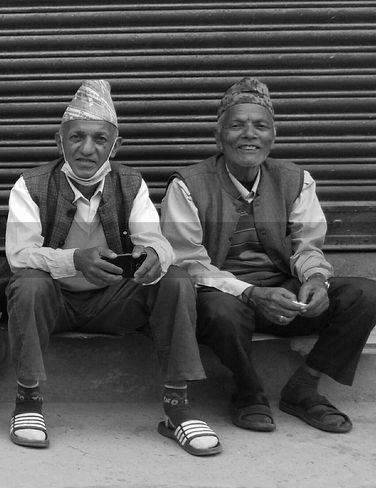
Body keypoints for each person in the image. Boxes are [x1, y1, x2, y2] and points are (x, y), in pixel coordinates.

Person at [4, 80, 221, 456]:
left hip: (113, 303)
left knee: (174, 279)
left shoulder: (130, 183)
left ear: (115, 145)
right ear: (60, 142)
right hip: (55, 304)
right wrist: (74, 260)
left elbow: (153, 237)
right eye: (77, 138)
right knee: (28, 284)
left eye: (99, 139)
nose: (87, 149)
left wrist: (155, 253)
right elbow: (19, 255)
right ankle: (28, 401)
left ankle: (178, 408)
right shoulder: (30, 184)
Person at [161, 77, 376, 434]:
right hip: (226, 297)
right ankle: (248, 391)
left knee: (365, 294)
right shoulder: (188, 184)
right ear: (219, 137)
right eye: (237, 126)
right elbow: (187, 261)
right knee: (218, 310)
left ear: (272, 138)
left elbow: (307, 244)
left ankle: (304, 386)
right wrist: (250, 293)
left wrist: (316, 280)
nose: (249, 134)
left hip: (284, 295)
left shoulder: (295, 179)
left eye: (260, 126)